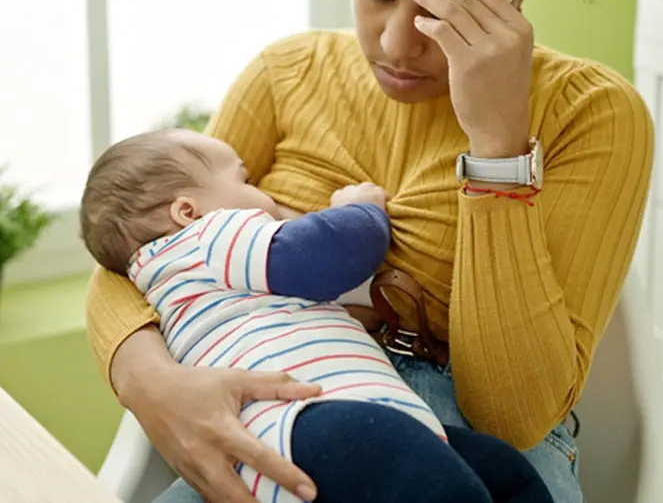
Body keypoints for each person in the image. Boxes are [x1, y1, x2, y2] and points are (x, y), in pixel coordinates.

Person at [85, 0, 654, 502]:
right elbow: (142, 252)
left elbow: (512, 414)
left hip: (476, 450)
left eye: (439, 12)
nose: (393, 44)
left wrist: (497, 150)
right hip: (283, 416)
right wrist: (152, 383)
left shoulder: (594, 115)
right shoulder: (286, 74)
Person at [81, 128, 554, 503]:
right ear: (188, 209)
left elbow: (267, 314)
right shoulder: (209, 236)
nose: (261, 193)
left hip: (288, 444)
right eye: (244, 181)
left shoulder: (169, 281)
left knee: (501, 472)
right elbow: (321, 255)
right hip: (307, 421)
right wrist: (358, 212)